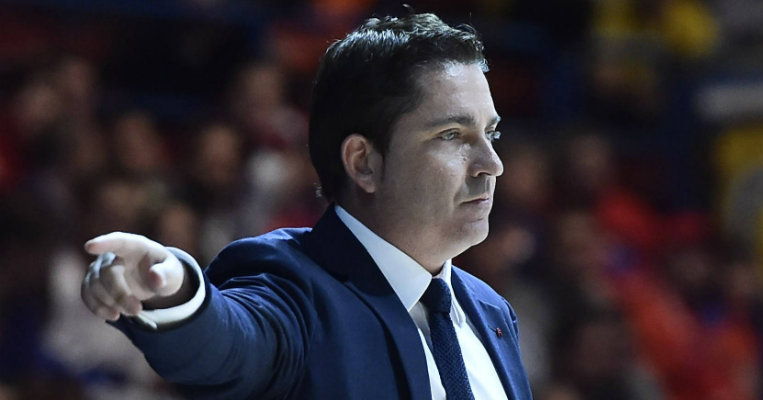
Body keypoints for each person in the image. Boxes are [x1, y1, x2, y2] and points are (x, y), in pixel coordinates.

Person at [81, 13, 533, 400]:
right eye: (452, 135)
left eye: (490, 133)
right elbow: (230, 341)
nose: (492, 164)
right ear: (364, 162)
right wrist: (173, 292)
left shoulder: (492, 312)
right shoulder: (292, 285)